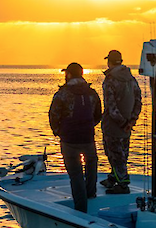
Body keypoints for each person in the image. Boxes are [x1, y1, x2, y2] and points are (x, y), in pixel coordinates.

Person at [49, 62, 102, 212]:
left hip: (69, 139)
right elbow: (98, 115)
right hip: (88, 137)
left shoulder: (62, 94)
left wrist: (58, 131)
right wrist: (89, 127)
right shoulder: (92, 93)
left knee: (76, 174)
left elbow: (53, 115)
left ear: (69, 75)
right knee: (91, 165)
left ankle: (81, 208)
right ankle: (90, 194)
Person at [100, 49, 142, 194]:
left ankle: (123, 184)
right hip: (127, 127)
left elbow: (110, 106)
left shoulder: (110, 80)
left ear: (109, 62)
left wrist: (124, 123)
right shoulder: (132, 79)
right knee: (122, 153)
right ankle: (113, 177)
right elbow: (138, 101)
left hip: (113, 127)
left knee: (114, 154)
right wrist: (131, 121)